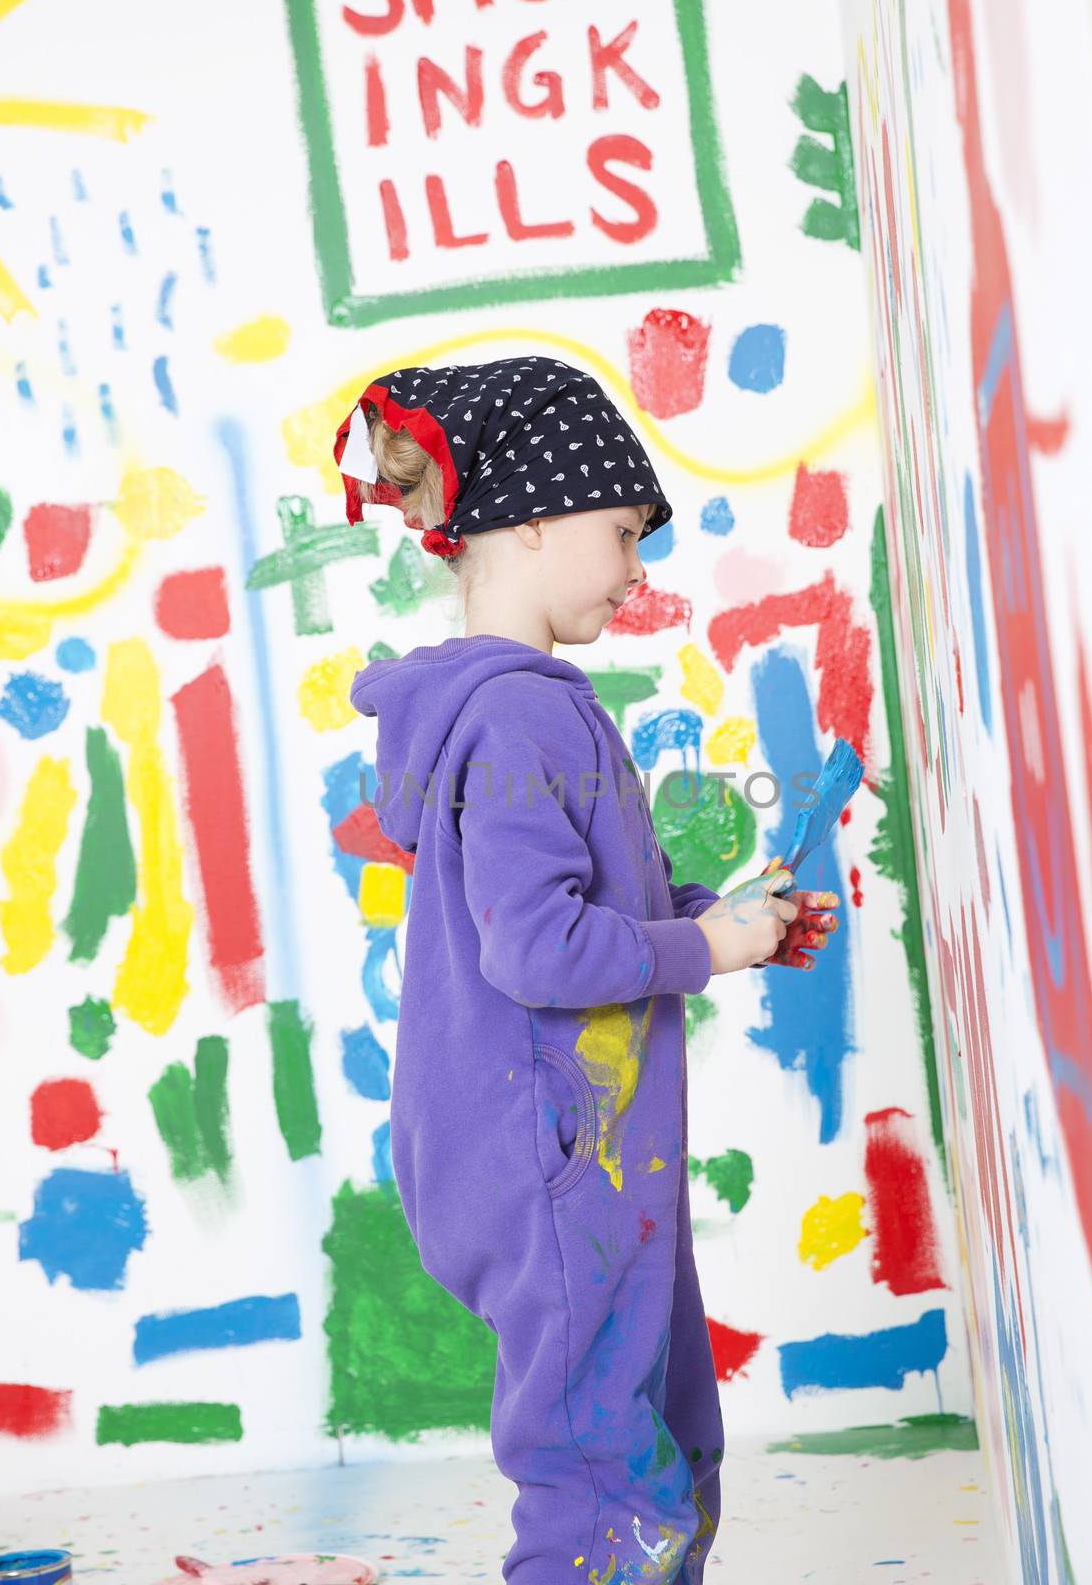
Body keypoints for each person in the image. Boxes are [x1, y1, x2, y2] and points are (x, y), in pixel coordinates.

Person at [343, 355, 840, 1583]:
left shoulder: (534, 706)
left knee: (665, 1439)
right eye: (622, 532)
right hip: (553, 1163)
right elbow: (538, 947)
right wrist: (706, 947)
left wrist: (725, 916)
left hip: (590, 1154)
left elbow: (590, 899)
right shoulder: (515, 714)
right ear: (530, 521)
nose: (635, 568)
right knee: (604, 1480)